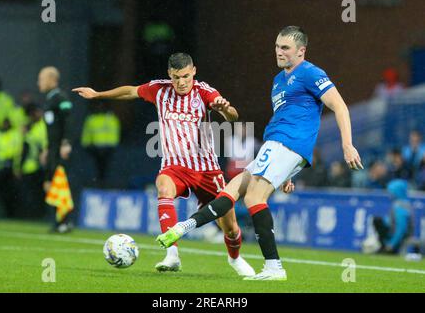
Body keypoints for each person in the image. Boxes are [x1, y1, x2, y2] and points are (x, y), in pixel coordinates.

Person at [156, 26, 364, 281]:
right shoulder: (278, 81)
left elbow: (340, 106)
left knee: (254, 198)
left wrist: (347, 144)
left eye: (285, 48)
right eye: (277, 46)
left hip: (287, 144)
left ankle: (274, 267)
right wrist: (286, 173)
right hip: (274, 146)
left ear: (301, 51)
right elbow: (288, 116)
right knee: (230, 191)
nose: (278, 51)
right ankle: (181, 228)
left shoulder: (311, 73)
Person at [73, 53, 255, 276]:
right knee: (163, 187)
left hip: (207, 169)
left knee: (230, 226)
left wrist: (224, 109)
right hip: (174, 166)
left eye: (186, 76)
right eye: (177, 77)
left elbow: (233, 118)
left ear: (194, 71)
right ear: (170, 74)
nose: (181, 82)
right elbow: (131, 91)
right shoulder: (159, 89)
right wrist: (98, 94)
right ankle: (172, 255)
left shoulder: (205, 92)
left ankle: (235, 259)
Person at [37, 66, 73, 233]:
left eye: (41, 79)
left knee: (59, 184)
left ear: (52, 80)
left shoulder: (60, 98)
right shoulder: (50, 100)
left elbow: (67, 121)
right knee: (49, 184)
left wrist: (65, 143)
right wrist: (47, 149)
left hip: (59, 148)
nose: (39, 83)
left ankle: (64, 222)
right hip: (52, 148)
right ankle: (59, 221)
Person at [372, 179, 413, 254]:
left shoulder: (401, 206)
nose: (390, 193)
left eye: (391, 191)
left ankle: (388, 248)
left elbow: (401, 228)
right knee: (378, 220)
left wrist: (391, 244)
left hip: (400, 238)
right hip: (395, 234)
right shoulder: (401, 203)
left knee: (377, 220)